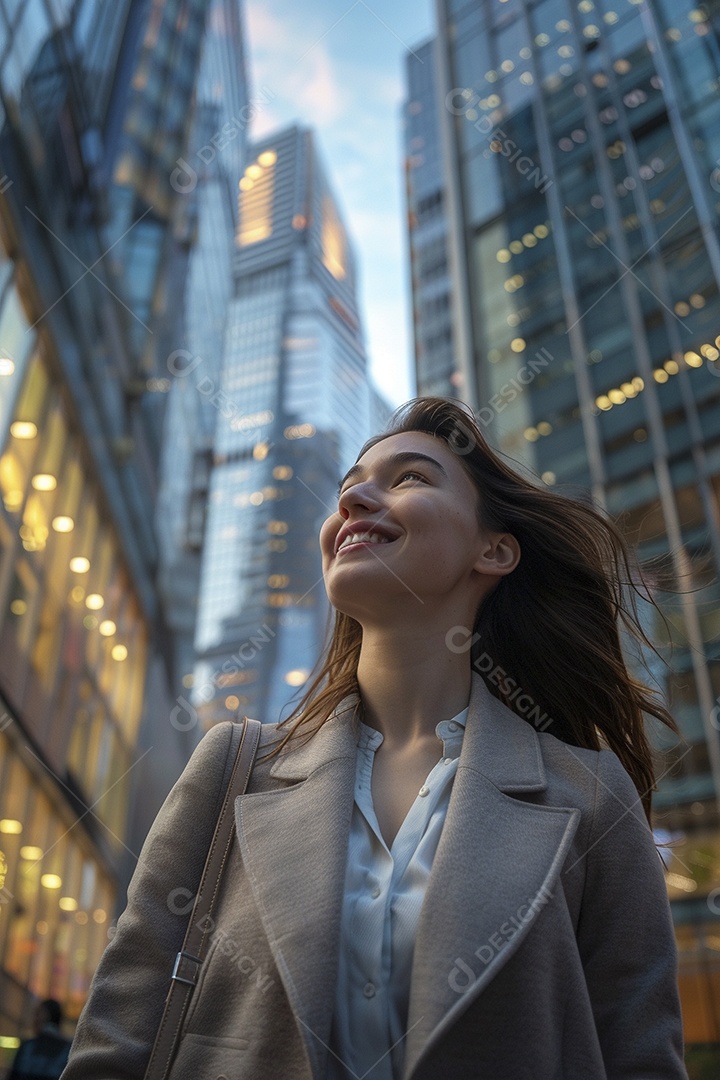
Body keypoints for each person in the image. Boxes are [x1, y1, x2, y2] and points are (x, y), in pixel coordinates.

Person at [62, 397, 687, 1079]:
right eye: (350, 486)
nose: (356, 498)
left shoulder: (592, 795)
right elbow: (118, 1040)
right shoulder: (232, 768)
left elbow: (641, 1058)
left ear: (494, 550)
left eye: (410, 478)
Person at [9, 999, 72, 1080]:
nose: (34, 1019)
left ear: (47, 1015)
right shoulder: (68, 1049)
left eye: (38, 1013)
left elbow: (13, 1075)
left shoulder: (28, 1047)